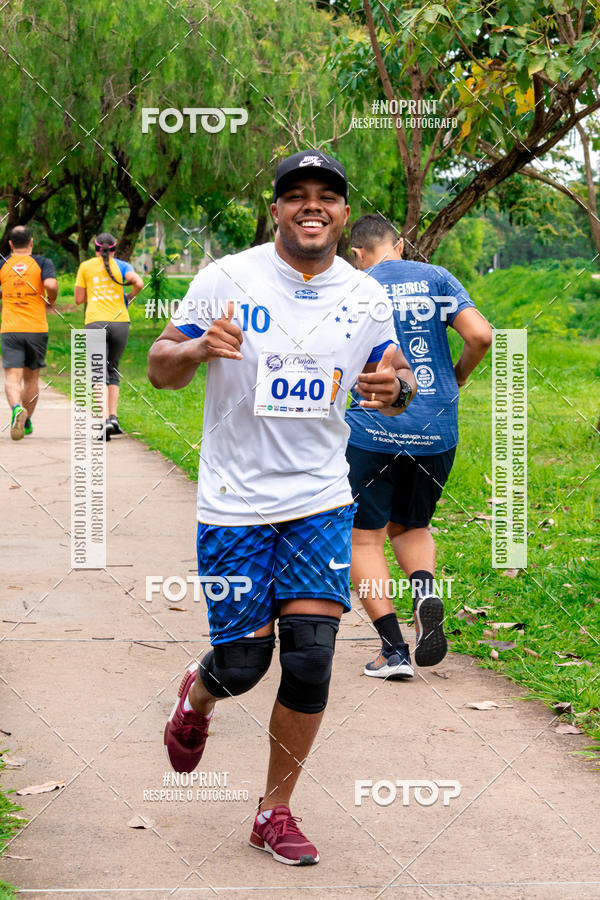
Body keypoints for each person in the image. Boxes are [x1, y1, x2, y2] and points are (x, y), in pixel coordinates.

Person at [148, 151, 416, 866]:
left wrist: (396, 389)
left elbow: (397, 374)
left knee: (310, 658)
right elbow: (159, 368)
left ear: (343, 213)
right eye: (296, 195)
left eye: (326, 196)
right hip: (233, 501)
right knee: (242, 663)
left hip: (319, 499)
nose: (311, 206)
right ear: (276, 210)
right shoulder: (226, 278)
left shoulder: (365, 294)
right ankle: (198, 696)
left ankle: (275, 811)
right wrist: (198, 349)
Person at [346, 213, 492, 680]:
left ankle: (393, 651)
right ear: (401, 245)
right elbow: (481, 335)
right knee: (411, 526)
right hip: (436, 431)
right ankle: (425, 592)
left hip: (371, 430)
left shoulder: (354, 286)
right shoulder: (437, 277)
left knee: (364, 537)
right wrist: (459, 375)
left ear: (357, 254)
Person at [74, 233, 143, 439]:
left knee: (98, 372)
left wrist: (95, 290)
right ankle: (113, 418)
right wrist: (128, 297)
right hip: (120, 322)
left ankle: (104, 421)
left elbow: (78, 299)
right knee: (113, 369)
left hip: (95, 322)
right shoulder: (123, 266)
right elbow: (138, 282)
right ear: (114, 248)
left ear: (96, 248)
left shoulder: (86, 267)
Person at [0, 225, 58, 440]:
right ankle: (26, 423)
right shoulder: (42, 263)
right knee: (31, 378)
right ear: (31, 242)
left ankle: (16, 408)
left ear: (10, 244)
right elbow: (50, 284)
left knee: (12, 377)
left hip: (11, 329)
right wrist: (51, 299)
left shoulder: (3, 264)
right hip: (36, 329)